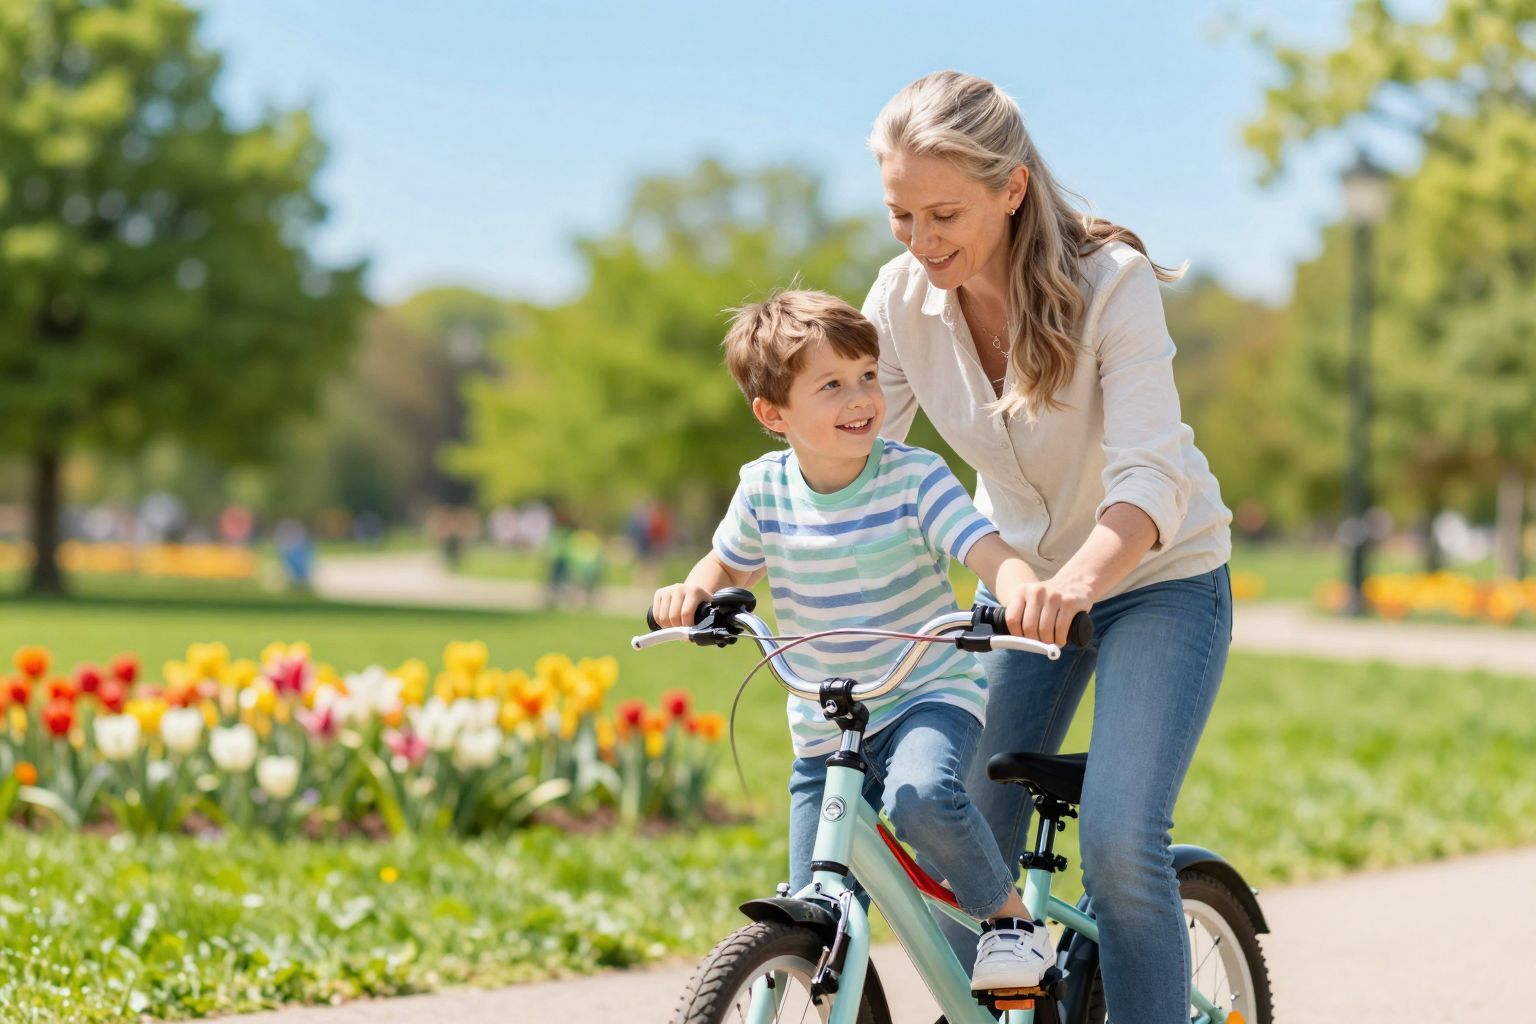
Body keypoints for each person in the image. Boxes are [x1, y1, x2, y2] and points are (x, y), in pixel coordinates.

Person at [862, 72, 1234, 1023]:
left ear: (1012, 188)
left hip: (1159, 580)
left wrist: (1072, 582)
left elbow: (1152, 479)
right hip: (1027, 596)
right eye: (901, 213)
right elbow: (855, 454)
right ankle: (1018, 1007)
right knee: (963, 832)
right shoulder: (902, 300)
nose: (921, 239)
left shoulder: (1110, 283)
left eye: (943, 212)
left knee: (1118, 841)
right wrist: (746, 550)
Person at [651, 289, 1061, 992]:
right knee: (818, 907)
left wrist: (1021, 587)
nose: (862, 396)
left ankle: (1010, 921)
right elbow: (726, 564)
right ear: (774, 415)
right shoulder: (763, 490)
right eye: (833, 384)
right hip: (825, 727)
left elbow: (984, 548)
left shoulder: (913, 477)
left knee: (918, 797)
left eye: (868, 374)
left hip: (926, 695)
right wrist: (690, 592)